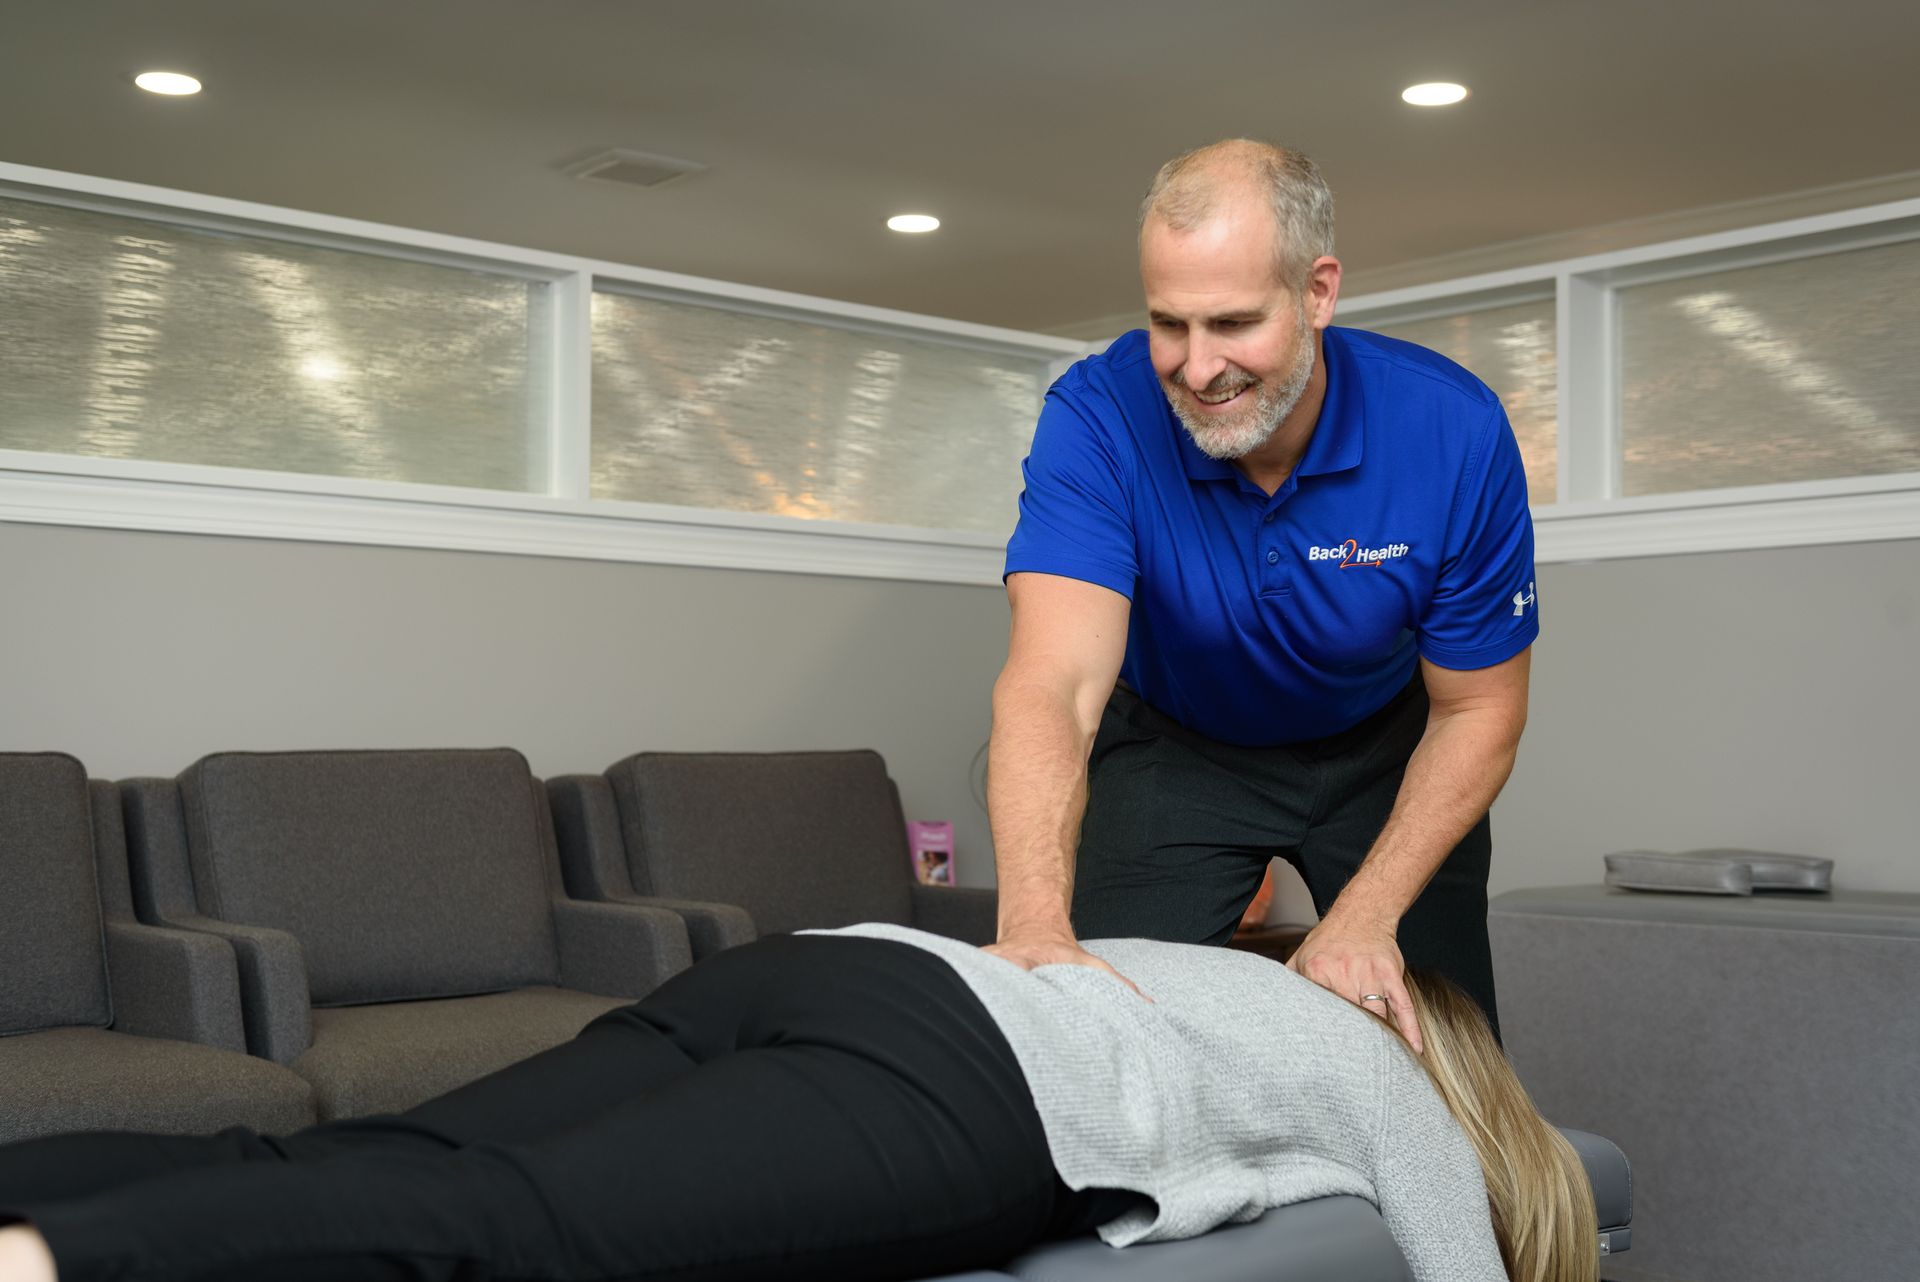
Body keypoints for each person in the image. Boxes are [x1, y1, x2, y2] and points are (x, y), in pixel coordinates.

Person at [0, 930, 1592, 1282]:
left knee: (395, 1145)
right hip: (959, 1078)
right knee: (508, 1228)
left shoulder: (1203, 964)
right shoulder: (1390, 1071)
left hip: (827, 959)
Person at [986, 139, 1538, 1050]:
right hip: (1178, 748)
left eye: (1234, 324)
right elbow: (1055, 685)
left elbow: (1481, 706)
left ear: (1318, 292)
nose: (1198, 370)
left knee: (1444, 1053)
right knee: (1095, 1028)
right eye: (1171, 324)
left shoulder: (1453, 428)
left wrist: (1365, 917)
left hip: (1387, 751)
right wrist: (1034, 926)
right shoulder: (1096, 417)